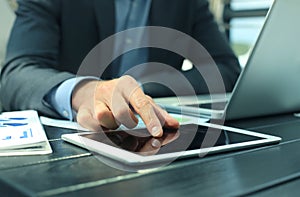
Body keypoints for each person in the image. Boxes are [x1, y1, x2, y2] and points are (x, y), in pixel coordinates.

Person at [0, 0, 241, 137]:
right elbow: (16, 73)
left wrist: (142, 91)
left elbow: (225, 68)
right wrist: (84, 91)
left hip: (156, 142)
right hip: (71, 144)